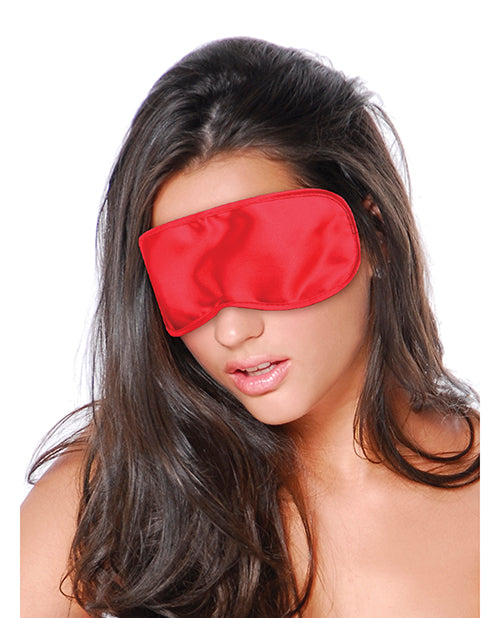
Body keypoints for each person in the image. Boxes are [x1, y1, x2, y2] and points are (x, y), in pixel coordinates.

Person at [21, 37, 479, 617]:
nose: (232, 331)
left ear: (376, 235)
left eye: (266, 263)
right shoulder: (105, 499)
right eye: (189, 279)